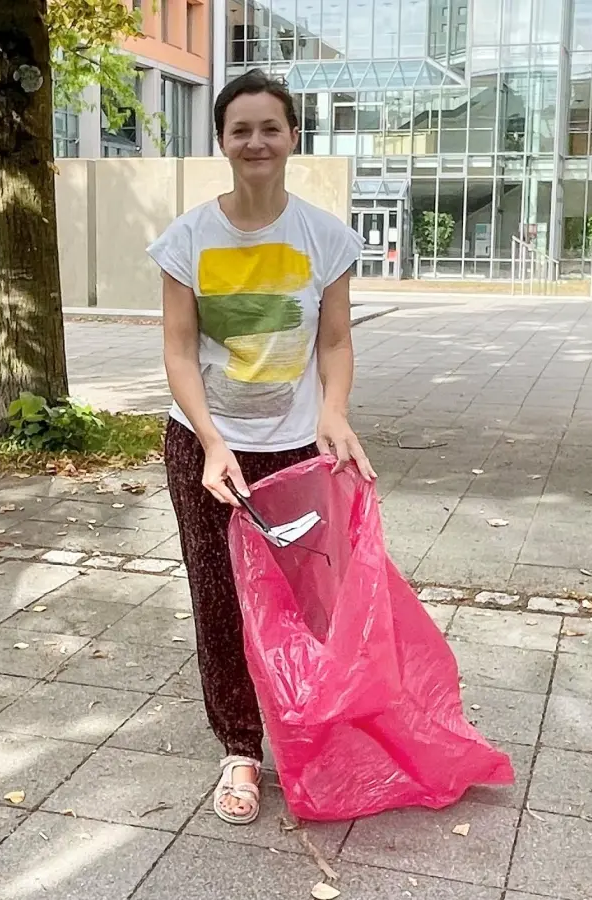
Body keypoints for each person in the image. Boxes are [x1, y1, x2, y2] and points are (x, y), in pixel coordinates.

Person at [146, 69, 375, 825]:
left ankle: (307, 729)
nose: (255, 142)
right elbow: (180, 353)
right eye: (239, 129)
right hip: (208, 453)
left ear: (291, 138)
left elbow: (335, 340)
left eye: (268, 127)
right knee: (220, 602)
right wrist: (211, 440)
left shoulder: (325, 236)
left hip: (297, 450)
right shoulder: (186, 240)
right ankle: (240, 749)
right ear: (222, 140)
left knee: (311, 601)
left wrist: (334, 413)